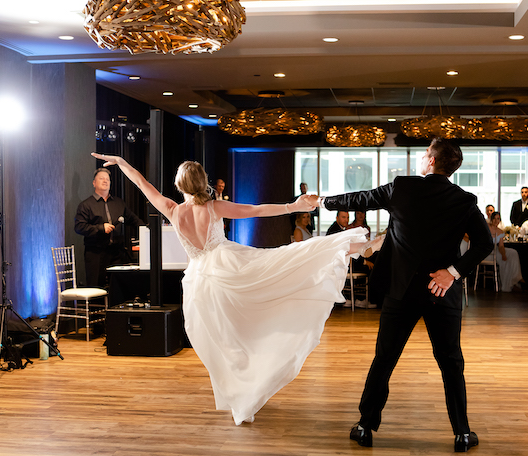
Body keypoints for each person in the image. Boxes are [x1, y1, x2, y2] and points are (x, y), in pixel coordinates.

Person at [90, 152, 371, 426]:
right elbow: (257, 211)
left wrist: (123, 162)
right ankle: (348, 246)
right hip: (228, 269)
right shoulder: (214, 207)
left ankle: (243, 398)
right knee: (279, 268)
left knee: (226, 344)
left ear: (179, 186)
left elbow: (142, 184)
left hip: (200, 284)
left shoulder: (173, 210)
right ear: (203, 182)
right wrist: (293, 206)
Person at [306, 137, 492, 453]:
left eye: (425, 154)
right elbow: (484, 243)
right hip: (442, 291)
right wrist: (453, 273)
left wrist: (322, 202)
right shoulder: (464, 199)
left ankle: (365, 426)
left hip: (401, 291)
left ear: (432, 161)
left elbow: (360, 198)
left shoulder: (402, 188)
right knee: (451, 363)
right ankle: (462, 433)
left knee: (385, 359)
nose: (422, 157)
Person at [74, 168, 143, 287]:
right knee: (96, 286)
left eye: (107, 179)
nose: (105, 181)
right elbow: (79, 227)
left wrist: (148, 231)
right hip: (96, 253)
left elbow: (134, 220)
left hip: (117, 252)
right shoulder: (86, 205)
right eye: (101, 178)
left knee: (119, 285)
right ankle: (97, 306)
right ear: (94, 183)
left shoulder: (119, 203)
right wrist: (101, 228)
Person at [488, 212, 524, 292]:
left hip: (496, 248)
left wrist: (503, 254)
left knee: (513, 252)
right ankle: (507, 284)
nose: (496, 221)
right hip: (487, 250)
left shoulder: (500, 231)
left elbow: (501, 246)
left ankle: (516, 278)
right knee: (504, 260)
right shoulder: (487, 227)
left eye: (498, 219)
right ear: (492, 219)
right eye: (494, 218)